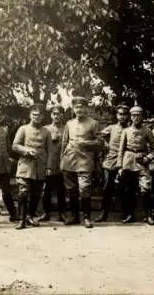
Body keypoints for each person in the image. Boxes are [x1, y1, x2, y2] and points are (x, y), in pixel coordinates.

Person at [60, 96, 102, 228]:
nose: (79, 109)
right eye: (77, 107)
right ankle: (74, 216)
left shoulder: (93, 123)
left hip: (85, 160)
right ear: (73, 109)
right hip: (69, 160)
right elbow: (64, 142)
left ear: (86, 108)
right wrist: (62, 160)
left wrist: (86, 143)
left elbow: (100, 142)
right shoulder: (69, 123)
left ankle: (86, 217)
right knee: (71, 189)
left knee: (84, 189)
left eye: (82, 107)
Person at [12, 103, 54, 230]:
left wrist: (49, 167)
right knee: (23, 191)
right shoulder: (23, 129)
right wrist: (26, 150)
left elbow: (50, 151)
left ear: (42, 117)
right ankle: (22, 219)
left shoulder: (46, 131)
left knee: (36, 193)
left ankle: (30, 215)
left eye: (39, 115)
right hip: (25, 164)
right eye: (34, 115)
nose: (37, 117)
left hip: (40, 165)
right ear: (30, 115)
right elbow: (15, 145)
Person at [116, 104, 154, 225]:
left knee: (146, 188)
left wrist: (147, 158)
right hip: (128, 161)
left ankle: (148, 215)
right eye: (133, 115)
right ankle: (130, 215)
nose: (136, 118)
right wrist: (120, 166)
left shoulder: (147, 131)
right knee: (127, 189)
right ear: (130, 117)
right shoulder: (126, 131)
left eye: (138, 115)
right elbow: (121, 149)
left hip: (141, 162)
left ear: (142, 117)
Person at [95, 104, 130, 222]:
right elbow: (98, 136)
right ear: (116, 115)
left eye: (125, 114)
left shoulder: (130, 129)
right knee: (106, 187)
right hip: (110, 160)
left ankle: (127, 213)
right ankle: (103, 213)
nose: (122, 117)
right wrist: (105, 145)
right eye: (120, 114)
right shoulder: (111, 127)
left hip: (125, 161)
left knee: (123, 187)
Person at [37, 105, 68, 223]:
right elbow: (41, 147)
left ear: (62, 115)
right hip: (48, 163)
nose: (57, 116)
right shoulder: (45, 129)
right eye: (54, 114)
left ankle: (62, 213)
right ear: (51, 115)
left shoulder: (66, 128)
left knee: (62, 189)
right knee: (47, 189)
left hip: (63, 162)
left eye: (59, 113)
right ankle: (46, 213)